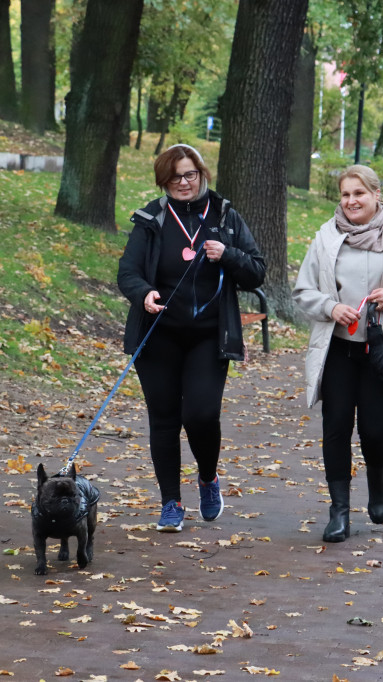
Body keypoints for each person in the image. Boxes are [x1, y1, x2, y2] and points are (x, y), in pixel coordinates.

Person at [118, 144, 266, 532]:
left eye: (190, 174)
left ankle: (207, 478)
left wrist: (228, 254)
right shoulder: (152, 217)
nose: (183, 183)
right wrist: (143, 294)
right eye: (174, 177)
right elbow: (128, 272)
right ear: (163, 182)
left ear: (202, 174)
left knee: (200, 414)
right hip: (158, 335)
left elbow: (256, 272)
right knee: (164, 420)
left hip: (208, 336)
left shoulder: (224, 215)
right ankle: (170, 503)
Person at [292, 164, 383, 542]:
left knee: (374, 430)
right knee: (336, 428)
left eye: (359, 193)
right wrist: (330, 308)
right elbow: (303, 291)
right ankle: (338, 510)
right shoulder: (326, 238)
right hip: (338, 348)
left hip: (380, 349)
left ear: (376, 195)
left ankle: (377, 480)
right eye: (345, 194)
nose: (351, 201)